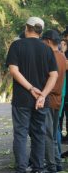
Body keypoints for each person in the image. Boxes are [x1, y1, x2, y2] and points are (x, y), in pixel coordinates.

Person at [6, 17, 58, 173]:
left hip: (22, 99)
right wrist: (43, 95)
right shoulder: (47, 49)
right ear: (40, 32)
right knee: (39, 134)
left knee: (21, 134)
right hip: (41, 101)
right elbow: (53, 75)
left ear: (26, 28)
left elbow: (13, 71)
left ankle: (21, 168)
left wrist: (30, 89)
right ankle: (38, 168)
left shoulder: (16, 45)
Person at [41, 30, 66, 172]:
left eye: (43, 41)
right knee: (53, 134)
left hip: (49, 99)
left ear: (49, 41)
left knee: (48, 135)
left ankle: (51, 166)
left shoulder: (49, 57)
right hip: (58, 100)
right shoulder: (63, 57)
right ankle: (57, 163)